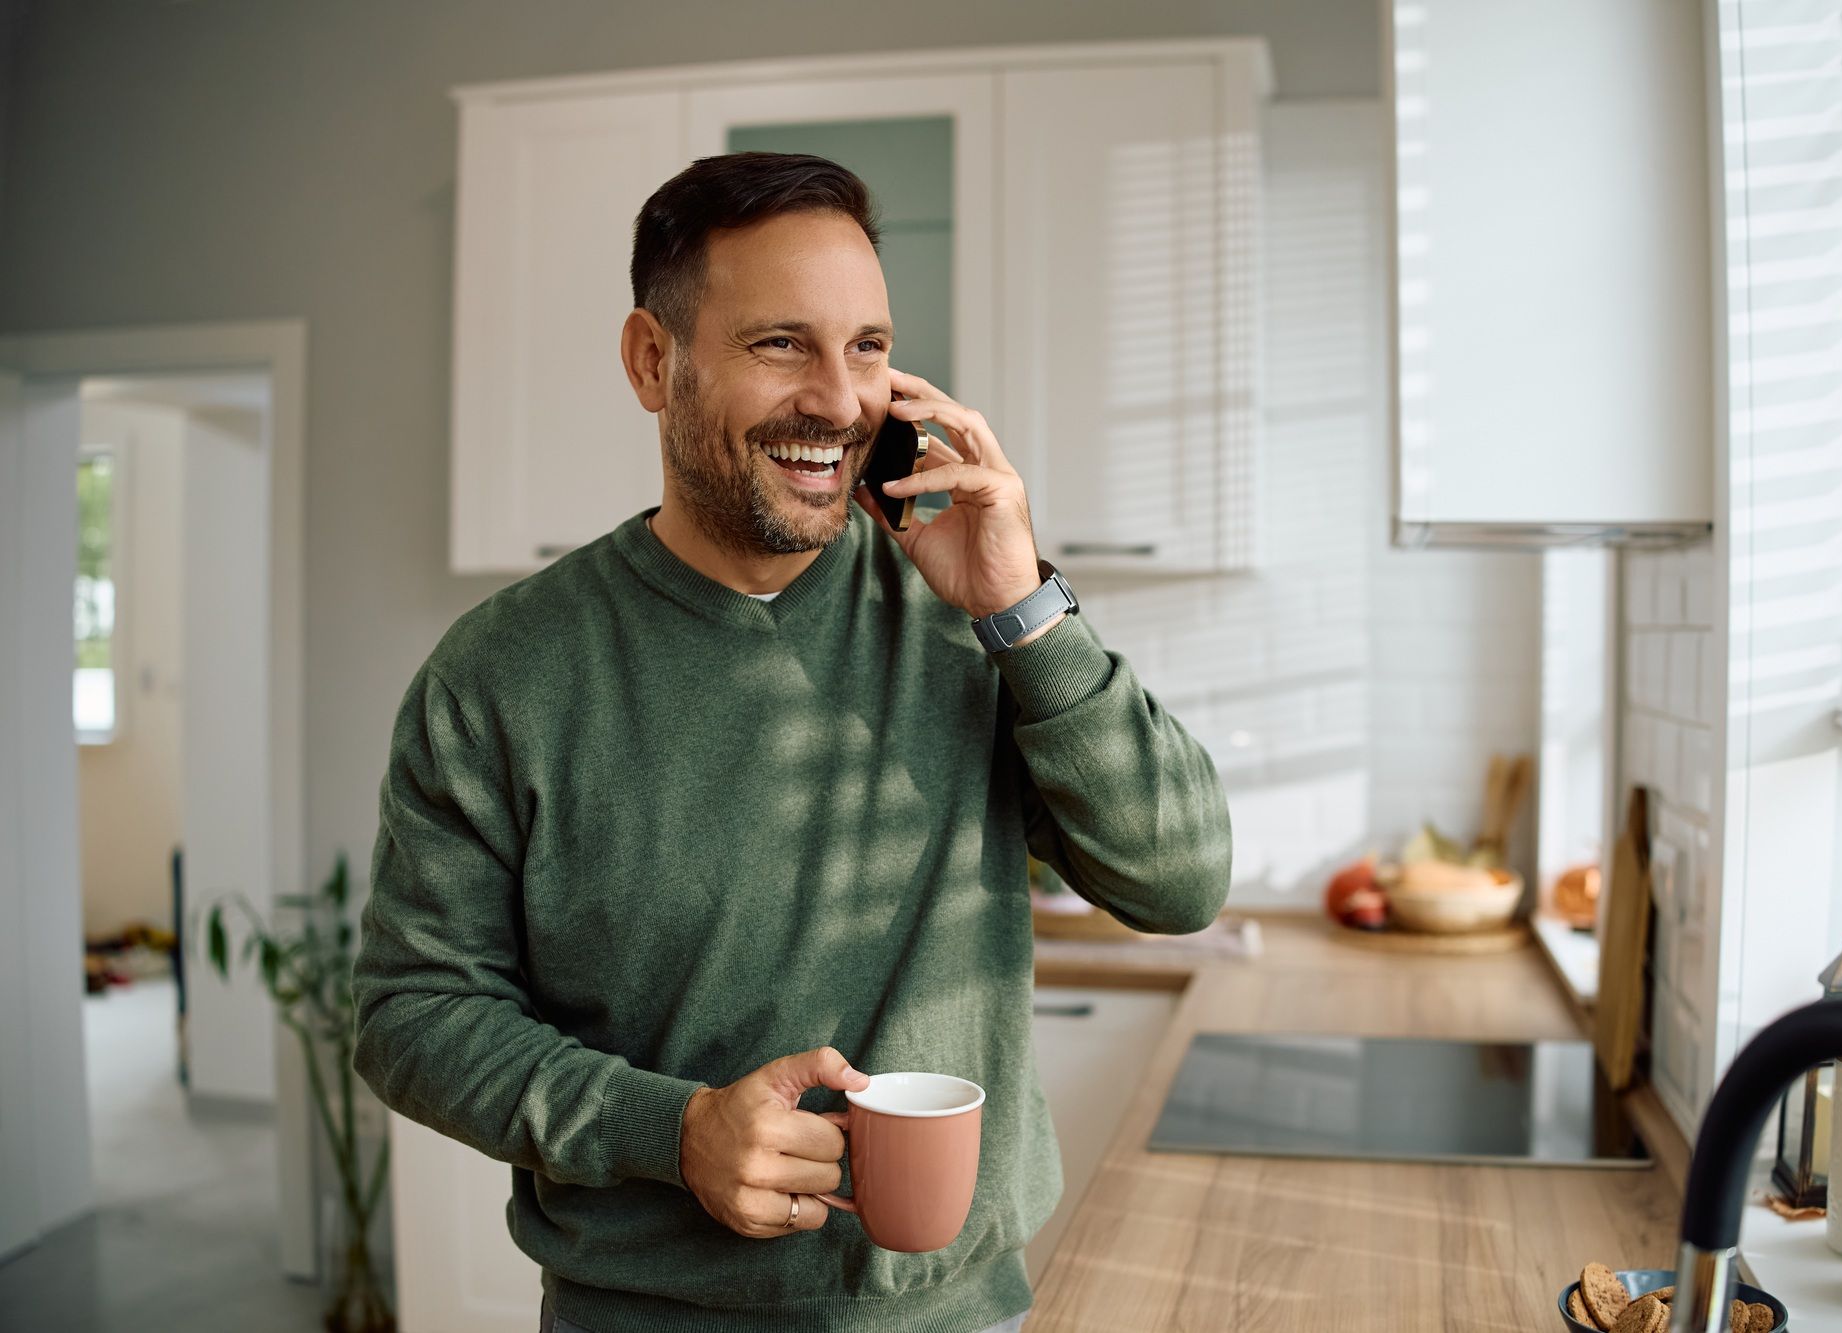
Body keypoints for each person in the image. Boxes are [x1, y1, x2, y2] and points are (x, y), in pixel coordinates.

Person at [351, 150, 1233, 1333]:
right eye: (781, 344)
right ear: (652, 362)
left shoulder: (965, 611)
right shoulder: (503, 673)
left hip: (957, 1317)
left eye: (867, 346)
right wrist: (667, 1130)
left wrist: (1025, 609)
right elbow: (411, 1011)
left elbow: (1178, 883)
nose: (839, 398)